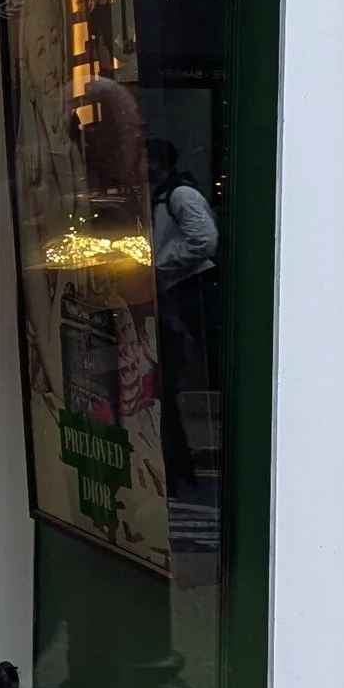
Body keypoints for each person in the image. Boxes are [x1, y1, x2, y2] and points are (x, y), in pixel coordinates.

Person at [146, 138, 221, 498]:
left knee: (176, 377)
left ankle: (181, 472)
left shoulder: (179, 196)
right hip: (177, 290)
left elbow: (203, 240)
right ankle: (180, 471)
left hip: (187, 291)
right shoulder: (165, 195)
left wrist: (158, 269)